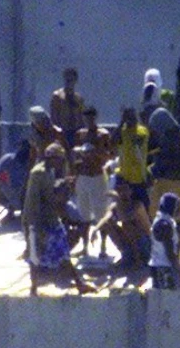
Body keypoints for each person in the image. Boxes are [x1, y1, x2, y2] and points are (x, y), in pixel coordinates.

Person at [24, 144, 99, 296]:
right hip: (39, 221)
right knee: (35, 254)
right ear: (52, 158)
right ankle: (34, 288)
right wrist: (35, 227)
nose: (61, 163)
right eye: (60, 159)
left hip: (51, 219)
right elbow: (33, 202)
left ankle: (79, 284)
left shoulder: (50, 171)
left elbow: (49, 191)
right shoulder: (38, 173)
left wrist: (63, 184)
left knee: (63, 252)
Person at [109, 108, 152, 266]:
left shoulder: (142, 132)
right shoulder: (122, 131)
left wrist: (128, 126)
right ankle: (128, 252)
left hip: (138, 182)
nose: (130, 120)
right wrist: (121, 122)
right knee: (122, 219)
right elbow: (112, 142)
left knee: (138, 218)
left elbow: (137, 143)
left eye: (132, 117)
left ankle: (143, 252)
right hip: (125, 180)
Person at [69, 107, 111, 256]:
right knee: (83, 214)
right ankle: (85, 246)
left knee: (101, 212)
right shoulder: (80, 134)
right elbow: (74, 156)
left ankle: (103, 247)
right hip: (83, 177)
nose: (88, 121)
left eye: (91, 118)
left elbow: (109, 156)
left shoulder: (103, 134)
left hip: (97, 177)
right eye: (86, 119)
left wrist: (96, 152)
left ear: (95, 118)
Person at [0, 139, 35, 221]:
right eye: (22, 147)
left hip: (29, 194)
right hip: (14, 191)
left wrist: (31, 163)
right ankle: (10, 211)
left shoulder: (35, 162)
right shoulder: (9, 158)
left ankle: (27, 213)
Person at [148, 193, 180, 289]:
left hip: (157, 267)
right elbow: (169, 253)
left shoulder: (160, 220)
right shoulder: (164, 225)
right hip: (165, 269)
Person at [50, 68, 88, 146]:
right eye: (67, 80)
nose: (69, 82)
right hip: (63, 131)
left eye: (71, 80)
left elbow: (81, 116)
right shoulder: (58, 96)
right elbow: (54, 115)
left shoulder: (79, 98)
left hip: (76, 131)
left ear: (75, 80)